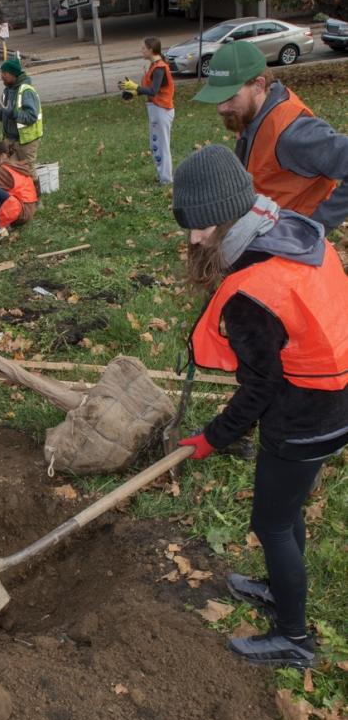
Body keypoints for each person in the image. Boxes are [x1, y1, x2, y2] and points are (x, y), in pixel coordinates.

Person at [173, 145, 348, 669]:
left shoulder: (253, 291)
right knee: (285, 508)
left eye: (203, 227)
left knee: (270, 521)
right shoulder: (285, 229)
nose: (194, 238)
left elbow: (258, 390)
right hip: (332, 393)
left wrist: (213, 436)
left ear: (229, 215)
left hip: (306, 415)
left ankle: (294, 639)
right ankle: (280, 588)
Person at [193, 40, 348, 232]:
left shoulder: (293, 132)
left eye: (230, 97)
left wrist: (314, 227)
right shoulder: (252, 113)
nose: (221, 108)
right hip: (264, 232)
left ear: (258, 85)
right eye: (218, 98)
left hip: (289, 246)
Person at [119, 37, 175, 185]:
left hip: (162, 110)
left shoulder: (159, 68)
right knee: (155, 144)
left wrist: (135, 87)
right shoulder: (153, 66)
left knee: (163, 146)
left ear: (151, 49)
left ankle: (166, 179)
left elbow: (154, 90)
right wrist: (133, 92)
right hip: (155, 109)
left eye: (143, 48)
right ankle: (161, 175)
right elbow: (149, 90)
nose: (141, 51)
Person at [0, 59, 43, 172]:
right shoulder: (7, 91)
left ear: (13, 74)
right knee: (11, 172)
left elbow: (31, 117)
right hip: (10, 140)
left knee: (27, 172)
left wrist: (13, 113)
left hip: (26, 141)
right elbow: (8, 116)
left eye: (4, 73)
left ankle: (35, 189)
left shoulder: (26, 91)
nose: (1, 76)